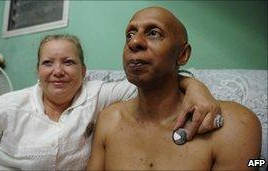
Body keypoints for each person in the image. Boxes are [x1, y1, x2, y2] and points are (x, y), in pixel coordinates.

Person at [0, 34, 220, 170]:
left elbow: (153, 84)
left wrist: (193, 86)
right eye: (48, 63)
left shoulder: (98, 95)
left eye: (68, 62)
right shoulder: (9, 106)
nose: (58, 71)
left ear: (84, 71)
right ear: (37, 71)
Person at [87, 6, 262, 170]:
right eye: (130, 35)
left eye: (154, 33)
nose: (134, 42)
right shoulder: (108, 120)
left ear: (183, 54)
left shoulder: (235, 125)